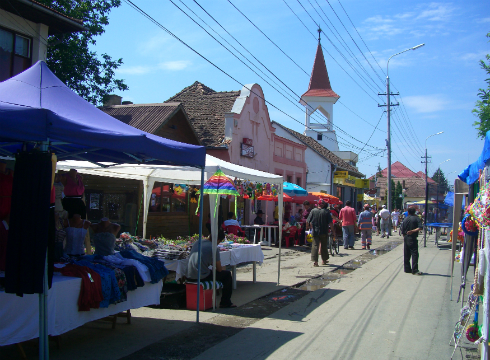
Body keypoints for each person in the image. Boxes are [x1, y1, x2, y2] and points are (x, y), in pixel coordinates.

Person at [187, 229, 235, 308]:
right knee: (227, 275)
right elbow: (219, 269)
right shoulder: (213, 248)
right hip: (201, 276)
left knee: (213, 272)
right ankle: (225, 302)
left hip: (189, 274)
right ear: (218, 240)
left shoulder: (198, 242)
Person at [306, 199, 332, 266]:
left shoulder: (313, 211)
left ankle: (315, 262)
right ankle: (324, 260)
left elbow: (307, 220)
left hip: (315, 232)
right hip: (324, 231)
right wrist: (333, 231)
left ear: (318, 204)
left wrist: (307, 227)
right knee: (323, 246)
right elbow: (330, 222)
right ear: (323, 205)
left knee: (315, 246)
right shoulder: (326, 211)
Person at [400, 207, 423, 275]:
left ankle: (407, 269)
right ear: (415, 212)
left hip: (406, 237)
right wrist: (413, 231)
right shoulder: (416, 218)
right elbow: (420, 227)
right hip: (412, 238)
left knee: (407, 254)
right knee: (415, 254)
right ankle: (415, 269)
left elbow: (402, 230)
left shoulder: (405, 219)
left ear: (408, 212)